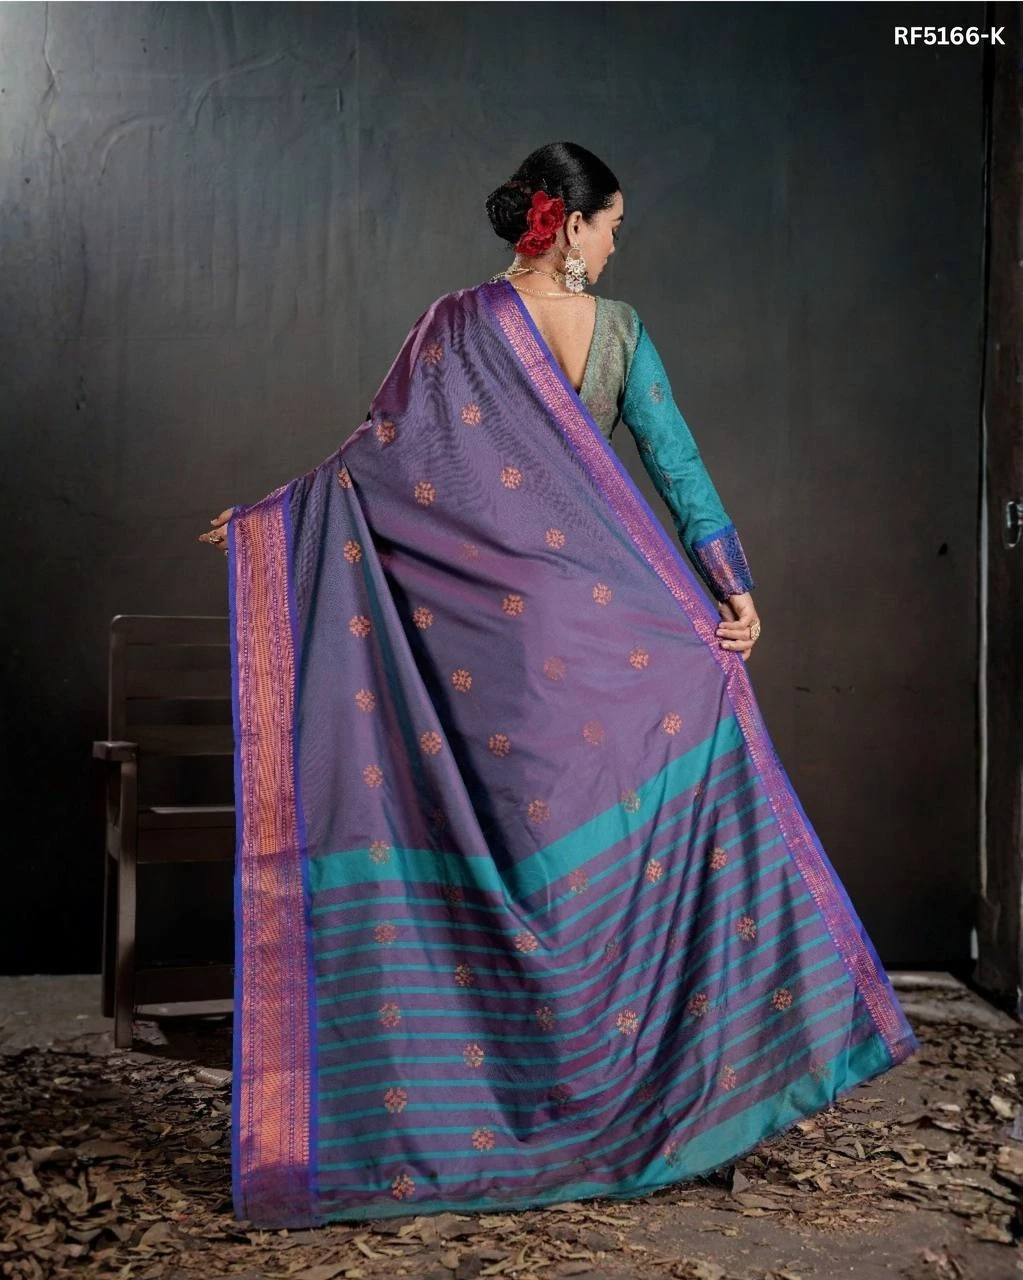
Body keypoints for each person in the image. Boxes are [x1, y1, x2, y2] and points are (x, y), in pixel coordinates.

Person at [198, 142, 919, 1230]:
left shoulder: (455, 324)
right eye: (614, 224)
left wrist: (271, 522)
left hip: (485, 648)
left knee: (519, 853)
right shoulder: (617, 332)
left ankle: (498, 1095)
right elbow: (676, 465)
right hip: (608, 634)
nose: (619, 243)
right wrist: (732, 588)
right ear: (571, 225)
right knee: (631, 829)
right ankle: (655, 1088)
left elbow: (376, 458)